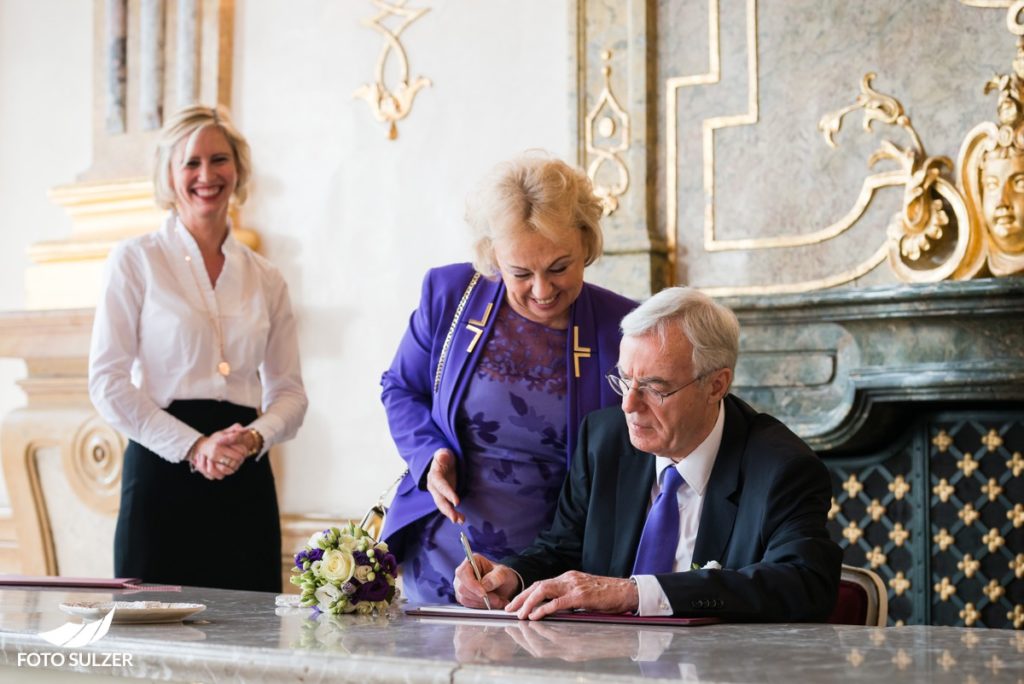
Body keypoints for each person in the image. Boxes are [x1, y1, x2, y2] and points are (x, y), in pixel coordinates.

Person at [454, 286, 842, 621]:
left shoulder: (782, 468)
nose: (628, 405)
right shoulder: (603, 440)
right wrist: (513, 577)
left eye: (655, 388)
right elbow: (564, 547)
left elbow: (804, 583)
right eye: (624, 380)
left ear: (716, 385)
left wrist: (635, 593)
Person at [380, 153, 636, 603]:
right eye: (520, 273)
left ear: (587, 244)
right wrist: (429, 455)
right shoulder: (450, 295)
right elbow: (400, 387)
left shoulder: (624, 327)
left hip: (556, 569)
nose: (542, 290)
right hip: (442, 555)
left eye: (560, 267)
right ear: (492, 256)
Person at [88, 104, 308, 592]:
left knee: (249, 646)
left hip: (244, 473)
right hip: (162, 470)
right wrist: (192, 446)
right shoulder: (135, 260)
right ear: (169, 175)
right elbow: (107, 382)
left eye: (219, 159)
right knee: (152, 640)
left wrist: (253, 438)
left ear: (238, 169)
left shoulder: (267, 277)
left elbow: (291, 393)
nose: (206, 174)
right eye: (191, 162)